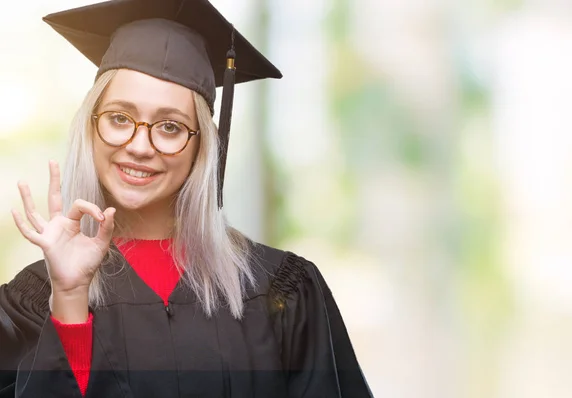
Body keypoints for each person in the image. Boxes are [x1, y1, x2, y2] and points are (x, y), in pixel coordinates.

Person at [0, 0, 372, 397]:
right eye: (120, 118)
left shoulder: (282, 292)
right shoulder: (36, 299)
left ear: (202, 146)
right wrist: (70, 302)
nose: (139, 146)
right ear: (90, 128)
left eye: (170, 126)